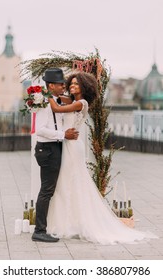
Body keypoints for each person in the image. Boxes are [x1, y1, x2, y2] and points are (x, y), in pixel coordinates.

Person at [46, 71, 158, 245]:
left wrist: (45, 95)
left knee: (73, 180)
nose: (72, 86)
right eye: (71, 83)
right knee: (66, 182)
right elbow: (60, 98)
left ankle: (75, 222)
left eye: (76, 84)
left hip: (73, 147)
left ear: (84, 87)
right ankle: (69, 221)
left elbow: (56, 108)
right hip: (68, 143)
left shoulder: (81, 103)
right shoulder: (74, 101)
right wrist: (52, 91)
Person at [32, 68, 79, 243]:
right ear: (51, 85)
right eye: (60, 84)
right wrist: (63, 135)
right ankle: (39, 231)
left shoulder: (54, 100)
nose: (63, 86)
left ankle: (43, 228)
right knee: (47, 191)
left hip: (53, 148)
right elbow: (40, 130)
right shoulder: (44, 103)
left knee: (49, 190)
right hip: (48, 149)